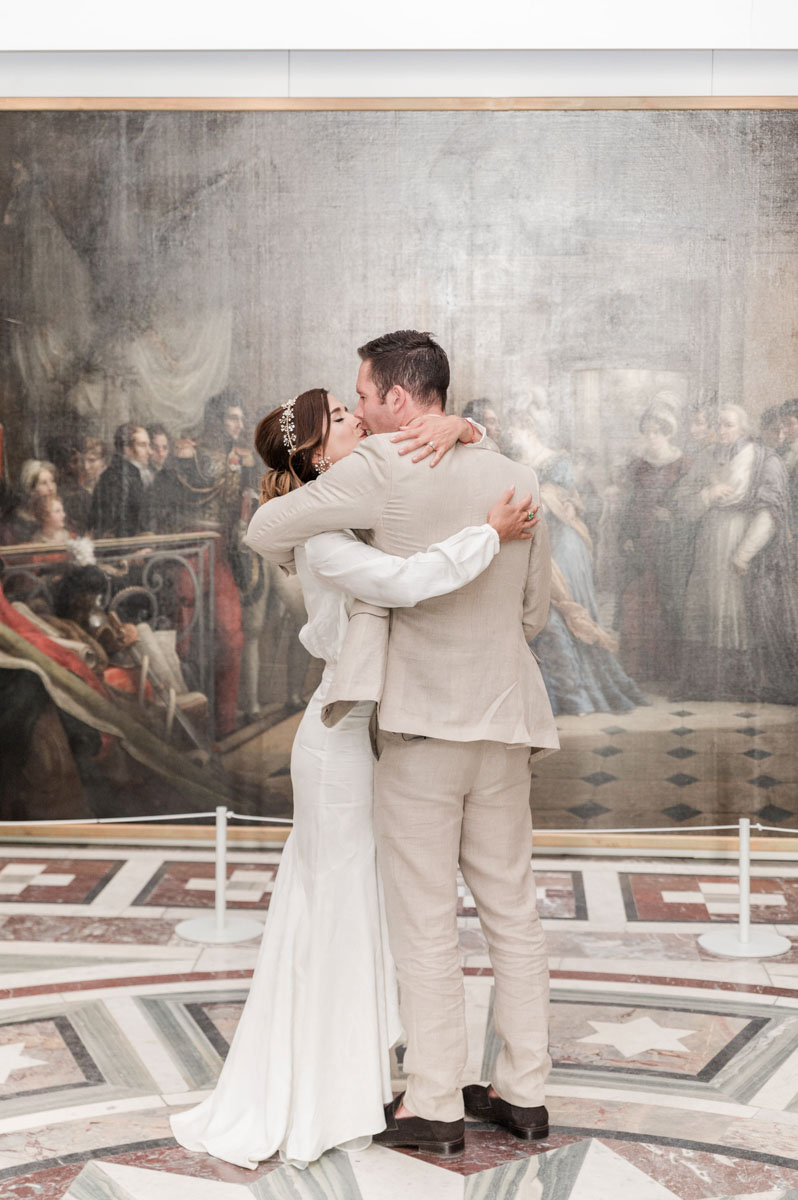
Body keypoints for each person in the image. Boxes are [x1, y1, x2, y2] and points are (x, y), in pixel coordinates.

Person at [170, 383, 538, 1168]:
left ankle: (383, 1071)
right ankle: (333, 1087)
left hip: (383, 733)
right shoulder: (325, 537)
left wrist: (466, 425)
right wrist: (486, 532)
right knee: (340, 902)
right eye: (341, 418)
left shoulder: (357, 512)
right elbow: (407, 584)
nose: (358, 419)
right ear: (311, 455)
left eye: (355, 405)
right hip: (339, 742)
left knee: (378, 907)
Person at [676, 404, 798, 703]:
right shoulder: (706, 457)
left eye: (727, 425)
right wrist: (707, 495)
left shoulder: (763, 459)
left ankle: (742, 684)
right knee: (704, 603)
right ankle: (704, 683)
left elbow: (772, 512)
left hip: (741, 540)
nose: (720, 430)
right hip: (709, 540)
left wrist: (744, 553)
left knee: (736, 607)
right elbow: (681, 501)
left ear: (742, 428)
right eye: (717, 425)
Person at [617, 407, 690, 684]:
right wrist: (626, 535)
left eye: (656, 432)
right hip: (641, 539)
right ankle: (637, 669)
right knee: (637, 601)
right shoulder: (638, 465)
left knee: (666, 602)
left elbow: (689, 504)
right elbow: (628, 504)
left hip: (671, 542)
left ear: (668, 433)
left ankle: (666, 670)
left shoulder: (684, 463)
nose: (651, 437)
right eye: (647, 432)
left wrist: (673, 516)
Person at [88, 423, 153, 539]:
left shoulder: (131, 474)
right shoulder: (117, 478)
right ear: (127, 449)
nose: (150, 451)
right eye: (143, 445)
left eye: (149, 445)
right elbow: (113, 527)